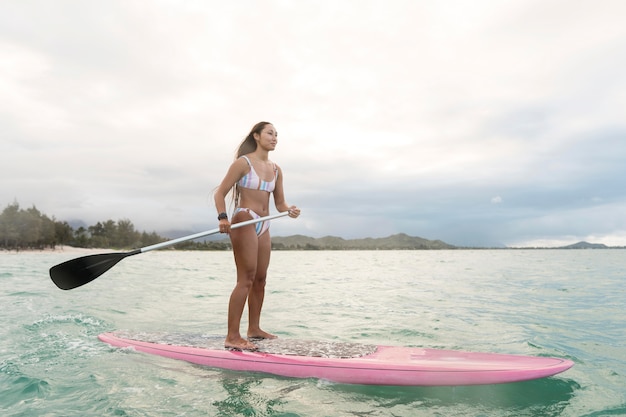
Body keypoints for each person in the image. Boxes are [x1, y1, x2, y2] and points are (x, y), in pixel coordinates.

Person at [214, 121, 301, 351]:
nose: (274, 138)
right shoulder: (243, 163)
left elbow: (279, 203)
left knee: (261, 279)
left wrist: (289, 210)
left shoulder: (275, 169)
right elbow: (220, 193)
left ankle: (254, 329)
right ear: (256, 136)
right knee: (246, 278)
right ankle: (232, 336)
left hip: (264, 224)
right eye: (270, 133)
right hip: (245, 219)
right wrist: (223, 217)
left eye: (276, 135)